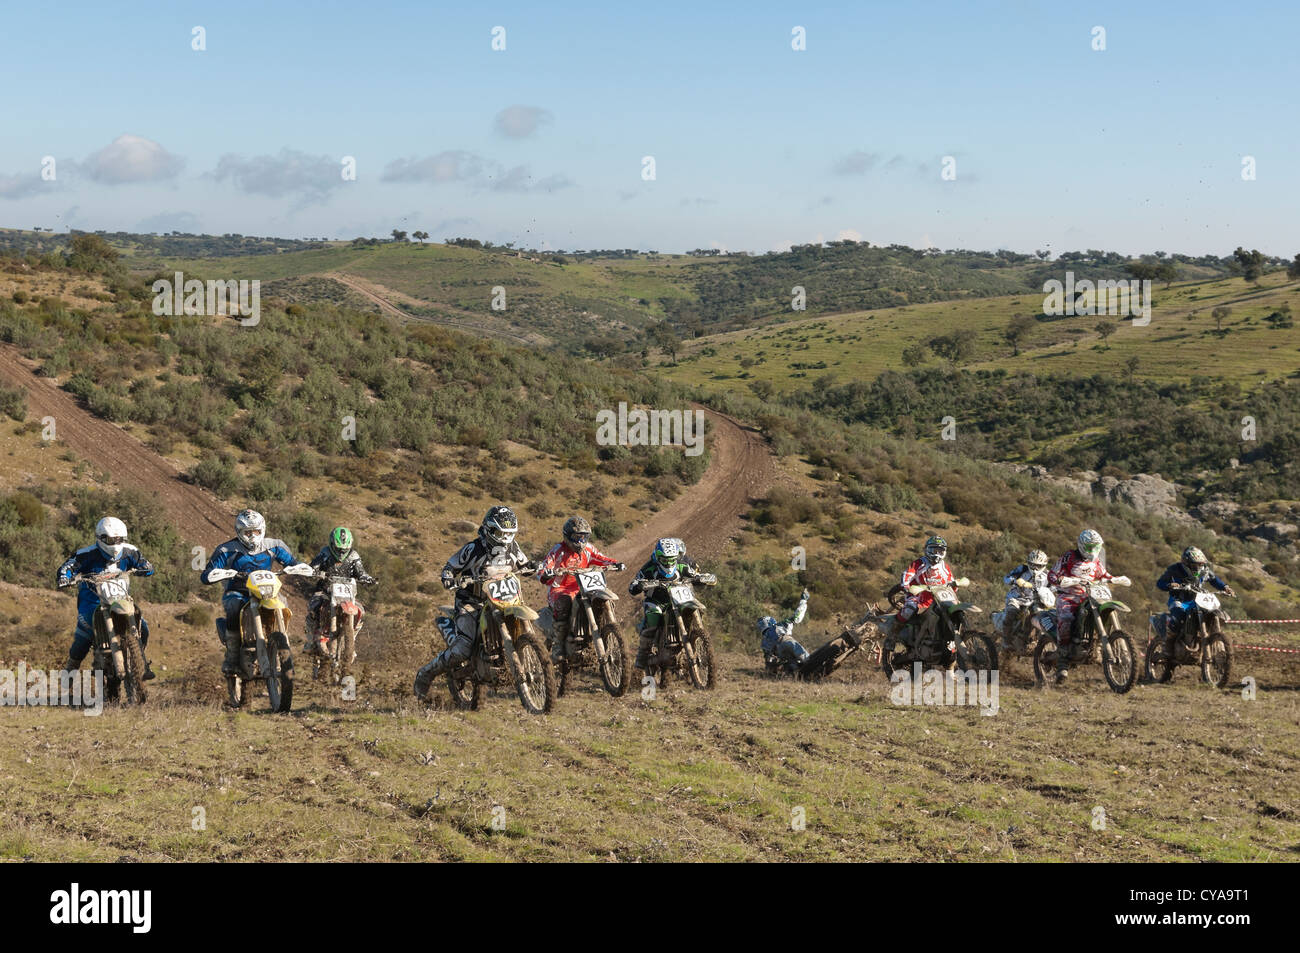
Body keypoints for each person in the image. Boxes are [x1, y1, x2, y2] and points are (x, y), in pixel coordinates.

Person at [414, 506, 534, 699]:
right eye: (499, 533)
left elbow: (525, 565)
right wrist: (449, 579)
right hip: (472, 602)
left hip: (503, 600)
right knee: (463, 648)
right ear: (488, 529)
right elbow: (450, 568)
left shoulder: (514, 548)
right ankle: (426, 673)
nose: (504, 538)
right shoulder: (473, 549)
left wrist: (533, 567)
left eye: (509, 534)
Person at [200, 509, 306, 675]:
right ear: (239, 532)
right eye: (247, 532)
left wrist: (300, 567)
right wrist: (224, 573)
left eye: (255, 531)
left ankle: (279, 643)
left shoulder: (274, 545)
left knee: (283, 602)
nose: (252, 536)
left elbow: (292, 562)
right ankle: (232, 656)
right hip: (238, 590)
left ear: (262, 529)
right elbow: (207, 574)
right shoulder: (227, 550)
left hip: (266, 591)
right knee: (234, 606)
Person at [56, 516, 157, 679]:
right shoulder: (86, 554)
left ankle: (139, 662)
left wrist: (146, 568)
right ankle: (71, 666)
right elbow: (67, 566)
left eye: (119, 539)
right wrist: (65, 577)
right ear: (101, 538)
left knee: (142, 627)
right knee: (84, 635)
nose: (115, 543)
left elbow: (144, 563)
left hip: (120, 600)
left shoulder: (130, 551)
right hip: (92, 601)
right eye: (111, 539)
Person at [536, 516, 623, 661]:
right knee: (564, 603)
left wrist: (615, 563)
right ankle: (558, 646)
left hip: (583, 586)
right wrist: (546, 573)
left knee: (601, 599)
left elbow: (601, 558)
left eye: (584, 537)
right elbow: (545, 566)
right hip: (560, 588)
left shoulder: (588, 549)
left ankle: (606, 631)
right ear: (568, 536)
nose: (580, 541)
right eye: (577, 537)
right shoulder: (558, 550)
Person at [1047, 529, 1125, 680]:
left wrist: (1114, 579)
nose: (1094, 551)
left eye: (1097, 547)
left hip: (1089, 595)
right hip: (1069, 595)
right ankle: (1063, 658)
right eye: (1090, 547)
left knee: (1102, 609)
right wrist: (1060, 580)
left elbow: (1103, 574)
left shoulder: (1096, 561)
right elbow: (1052, 574)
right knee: (1067, 617)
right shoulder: (1069, 557)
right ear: (1082, 545)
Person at [628, 537, 710, 671]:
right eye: (665, 559)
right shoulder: (649, 567)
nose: (668, 562)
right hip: (656, 601)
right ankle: (641, 661)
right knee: (653, 621)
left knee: (697, 608)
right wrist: (640, 585)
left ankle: (694, 639)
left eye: (672, 559)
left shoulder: (681, 566)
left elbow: (694, 575)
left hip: (679, 599)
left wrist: (703, 578)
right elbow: (633, 586)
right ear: (658, 556)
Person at [303, 526, 377, 657]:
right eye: (339, 549)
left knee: (360, 610)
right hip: (325, 591)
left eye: (344, 549)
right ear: (332, 544)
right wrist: (315, 572)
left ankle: (351, 639)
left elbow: (361, 572)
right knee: (314, 606)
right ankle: (310, 640)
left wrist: (368, 579)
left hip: (347, 595)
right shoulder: (325, 553)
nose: (342, 552)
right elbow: (313, 566)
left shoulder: (354, 556)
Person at [881, 536, 957, 643]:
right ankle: (893, 634)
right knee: (909, 608)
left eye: (940, 551)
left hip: (938, 598)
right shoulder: (919, 563)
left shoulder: (944, 566)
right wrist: (906, 586)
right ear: (927, 550)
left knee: (955, 608)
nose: (936, 554)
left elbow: (951, 579)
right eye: (933, 550)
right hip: (918, 596)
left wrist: (955, 586)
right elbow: (907, 575)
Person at [1155, 546, 1234, 644]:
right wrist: (1169, 585)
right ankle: (1168, 647)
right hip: (1179, 600)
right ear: (1186, 563)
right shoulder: (1174, 569)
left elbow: (1214, 580)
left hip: (1197, 601)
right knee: (1178, 617)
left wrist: (1225, 587)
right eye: (1195, 565)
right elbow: (1160, 583)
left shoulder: (1204, 571)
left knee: (1211, 613)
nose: (1198, 567)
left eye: (1200, 564)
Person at [998, 549, 1051, 651]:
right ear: (1028, 563)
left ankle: (1035, 641)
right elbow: (1006, 578)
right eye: (1032, 565)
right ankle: (1006, 641)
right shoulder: (1022, 569)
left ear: (1044, 565)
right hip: (1016, 598)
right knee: (1011, 613)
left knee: (1046, 616)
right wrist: (1015, 581)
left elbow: (1053, 586)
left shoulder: (1048, 575)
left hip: (1034, 600)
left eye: (1038, 565)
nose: (1035, 568)